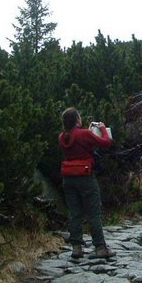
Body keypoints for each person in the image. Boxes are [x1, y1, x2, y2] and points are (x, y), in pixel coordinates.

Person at [59, 107, 114, 259]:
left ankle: (76, 247)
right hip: (86, 176)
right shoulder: (84, 134)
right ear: (77, 119)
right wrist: (102, 128)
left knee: (74, 212)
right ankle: (100, 247)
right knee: (93, 212)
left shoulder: (62, 137)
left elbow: (77, 142)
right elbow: (106, 142)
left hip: (68, 178)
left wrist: (88, 132)